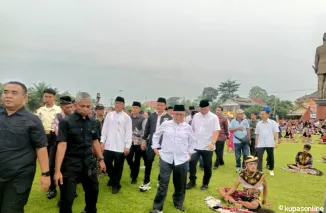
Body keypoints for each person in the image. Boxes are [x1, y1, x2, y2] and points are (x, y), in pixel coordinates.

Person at [0, 81, 50, 213]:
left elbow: (41, 147)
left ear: (25, 97)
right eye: (5, 92)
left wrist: (45, 174)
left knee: (11, 209)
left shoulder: (32, 120)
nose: (8, 96)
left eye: (14, 93)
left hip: (19, 175)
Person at [54, 92, 106, 213]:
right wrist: (57, 170)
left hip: (89, 162)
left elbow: (95, 142)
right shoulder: (66, 122)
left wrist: (101, 159)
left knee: (93, 191)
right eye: (82, 106)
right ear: (75, 105)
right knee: (68, 197)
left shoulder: (93, 122)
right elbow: (62, 145)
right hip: (70, 164)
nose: (85, 109)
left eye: (88, 106)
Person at [149, 105, 195, 213]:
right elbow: (156, 136)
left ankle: (178, 203)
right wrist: (155, 148)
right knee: (163, 183)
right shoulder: (166, 124)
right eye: (176, 114)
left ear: (184, 115)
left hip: (181, 159)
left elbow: (192, 141)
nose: (179, 116)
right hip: (166, 158)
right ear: (172, 114)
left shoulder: (187, 127)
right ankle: (157, 208)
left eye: (181, 114)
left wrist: (189, 154)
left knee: (180, 183)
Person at [139, 97, 173, 192]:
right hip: (152, 143)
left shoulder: (169, 118)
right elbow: (147, 129)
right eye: (158, 105)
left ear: (165, 106)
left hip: (164, 144)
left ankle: (160, 180)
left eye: (161, 105)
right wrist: (144, 141)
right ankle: (146, 182)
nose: (159, 107)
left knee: (163, 164)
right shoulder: (152, 116)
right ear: (156, 105)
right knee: (148, 162)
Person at [100, 96, 132, 194]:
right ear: (114, 104)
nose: (117, 104)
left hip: (120, 146)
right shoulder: (109, 115)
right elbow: (104, 129)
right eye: (116, 102)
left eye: (120, 103)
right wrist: (102, 141)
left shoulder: (126, 117)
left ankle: (115, 185)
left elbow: (128, 133)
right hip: (109, 145)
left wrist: (127, 146)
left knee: (118, 166)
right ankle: (113, 179)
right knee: (107, 164)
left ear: (123, 105)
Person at [187, 99, 220, 190]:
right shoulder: (196, 116)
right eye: (201, 109)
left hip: (207, 146)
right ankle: (192, 181)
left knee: (207, 165)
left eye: (204, 109)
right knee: (192, 163)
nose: (202, 111)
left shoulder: (214, 117)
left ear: (209, 107)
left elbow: (216, 130)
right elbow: (192, 129)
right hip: (196, 145)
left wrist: (212, 143)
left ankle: (205, 183)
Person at [35, 88, 62, 199]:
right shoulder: (39, 111)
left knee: (52, 164)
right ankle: (51, 186)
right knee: (45, 162)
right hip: (43, 137)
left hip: (55, 138)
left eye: (50, 97)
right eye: (46, 96)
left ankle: (53, 188)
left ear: (54, 98)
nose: (47, 99)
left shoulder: (59, 110)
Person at [255, 107, 279, 176]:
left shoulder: (273, 122)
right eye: (261, 114)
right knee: (259, 157)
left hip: (270, 143)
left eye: (263, 114)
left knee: (270, 157)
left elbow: (276, 133)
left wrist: (276, 141)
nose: (262, 115)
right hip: (260, 143)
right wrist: (256, 143)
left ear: (268, 115)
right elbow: (257, 134)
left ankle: (271, 169)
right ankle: (259, 171)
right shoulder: (259, 123)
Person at [126, 101, 146, 184]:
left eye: (136, 108)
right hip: (129, 142)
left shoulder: (142, 118)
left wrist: (143, 142)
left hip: (138, 142)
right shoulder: (127, 117)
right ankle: (133, 168)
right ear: (131, 107)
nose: (134, 109)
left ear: (139, 109)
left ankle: (134, 177)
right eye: (133, 107)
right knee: (128, 157)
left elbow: (144, 131)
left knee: (137, 160)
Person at [315, 32, 326, 99]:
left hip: (320, 66)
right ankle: (325, 96)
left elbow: (316, 60)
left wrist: (316, 68)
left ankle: (320, 96)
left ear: (323, 39)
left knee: (320, 82)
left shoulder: (318, 48)